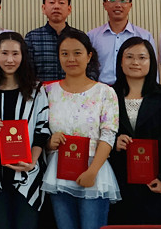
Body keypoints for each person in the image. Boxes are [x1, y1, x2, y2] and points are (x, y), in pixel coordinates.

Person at [41, 29, 120, 229]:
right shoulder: (47, 92)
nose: (71, 59)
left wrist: (92, 171)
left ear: (89, 56)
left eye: (77, 53)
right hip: (59, 172)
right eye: (65, 53)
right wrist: (49, 143)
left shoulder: (105, 92)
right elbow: (39, 130)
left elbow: (108, 134)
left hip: (94, 171)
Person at [0, 32, 50, 229]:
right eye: (4, 53)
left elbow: (43, 130)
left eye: (15, 54)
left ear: (23, 56)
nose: (10, 60)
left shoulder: (36, 90)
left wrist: (32, 161)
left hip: (29, 175)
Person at [108, 37, 161, 225]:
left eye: (142, 57)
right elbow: (98, 134)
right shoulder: (109, 95)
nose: (135, 62)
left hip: (154, 181)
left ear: (151, 62)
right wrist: (113, 143)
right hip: (119, 180)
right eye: (129, 57)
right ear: (120, 61)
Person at [25, 0, 97, 83]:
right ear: (44, 8)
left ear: (69, 9)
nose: (56, 6)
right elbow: (27, 72)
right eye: (52, 2)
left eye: (61, 3)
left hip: (75, 90)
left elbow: (91, 68)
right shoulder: (32, 38)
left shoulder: (79, 36)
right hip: (43, 91)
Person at [87, 0, 154, 85]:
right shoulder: (92, 36)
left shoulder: (144, 36)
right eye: (112, 0)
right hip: (101, 90)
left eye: (123, 0)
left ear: (130, 5)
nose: (118, 5)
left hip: (134, 90)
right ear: (104, 5)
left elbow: (152, 69)